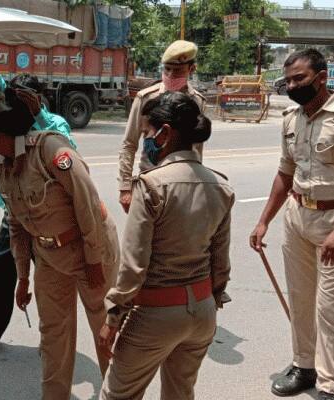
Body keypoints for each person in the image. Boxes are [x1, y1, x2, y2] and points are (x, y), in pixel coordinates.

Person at [0, 90, 120, 400]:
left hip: (89, 249)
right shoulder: (3, 169)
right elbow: (16, 225)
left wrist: (94, 260)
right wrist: (23, 277)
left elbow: (88, 205)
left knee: (105, 329)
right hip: (50, 257)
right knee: (53, 334)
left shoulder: (50, 149)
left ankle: (120, 395)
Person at [249, 49, 334, 400]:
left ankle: (329, 385)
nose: (292, 86)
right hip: (297, 217)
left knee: (329, 309)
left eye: (300, 79)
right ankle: (303, 366)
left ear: (322, 78)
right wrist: (264, 220)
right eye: (289, 80)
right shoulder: (292, 118)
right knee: (300, 300)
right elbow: (285, 172)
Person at [98, 92, 234, 400]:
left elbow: (133, 267)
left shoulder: (150, 185)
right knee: (180, 393)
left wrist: (113, 318)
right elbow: (220, 262)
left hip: (156, 313)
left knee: (118, 394)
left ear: (166, 133)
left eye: (147, 133)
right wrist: (211, 302)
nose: (146, 140)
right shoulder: (220, 186)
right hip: (202, 312)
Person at [0, 34, 76, 358]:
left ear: (39, 99)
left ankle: (51, 339)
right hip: (14, 212)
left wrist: (34, 112)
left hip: (48, 216)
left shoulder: (54, 125)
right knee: (1, 272)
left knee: (48, 282)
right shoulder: (11, 123)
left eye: (27, 99)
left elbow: (66, 152)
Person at [117, 40, 206, 214]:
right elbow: (129, 144)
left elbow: (197, 149)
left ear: (191, 69)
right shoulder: (146, 98)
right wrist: (125, 188)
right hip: (150, 183)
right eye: (167, 69)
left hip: (182, 185)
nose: (171, 75)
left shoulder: (197, 102)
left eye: (178, 70)